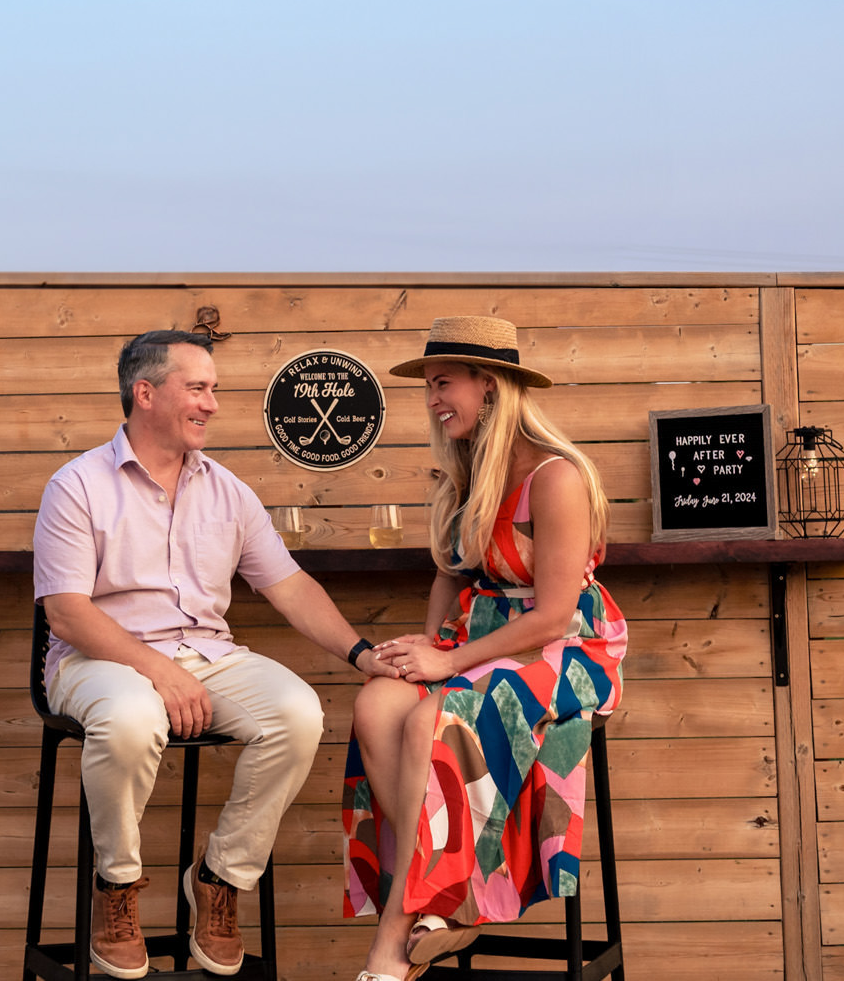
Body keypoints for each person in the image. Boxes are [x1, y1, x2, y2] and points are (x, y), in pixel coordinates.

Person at [34, 328, 400, 979]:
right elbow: (67, 610)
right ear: (145, 393)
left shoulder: (227, 489)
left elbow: (288, 587)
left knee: (298, 713)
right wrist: (160, 672)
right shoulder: (77, 485)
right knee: (130, 718)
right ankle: (116, 888)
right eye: (198, 387)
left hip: (208, 655)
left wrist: (361, 652)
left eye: (214, 389)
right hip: (94, 662)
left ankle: (219, 876)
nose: (212, 403)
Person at [341, 316, 628, 981]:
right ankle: (447, 898)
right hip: (480, 636)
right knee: (379, 702)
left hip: (565, 647)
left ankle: (395, 935)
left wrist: (447, 665)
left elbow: (555, 614)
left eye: (444, 383)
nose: (434, 399)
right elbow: (450, 572)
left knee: (433, 717)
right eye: (430, 386)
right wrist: (431, 643)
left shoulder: (556, 478)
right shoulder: (468, 471)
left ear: (490, 386)